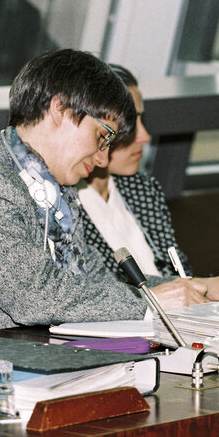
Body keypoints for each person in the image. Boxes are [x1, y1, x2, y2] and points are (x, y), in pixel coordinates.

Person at [0, 49, 219, 333]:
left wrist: (196, 288)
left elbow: (100, 281)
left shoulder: (57, 191)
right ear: (61, 110)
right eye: (102, 137)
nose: (102, 158)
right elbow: (36, 298)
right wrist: (152, 303)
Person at [78, 64, 192, 279]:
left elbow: (180, 270)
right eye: (129, 124)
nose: (144, 136)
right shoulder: (59, 206)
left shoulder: (143, 188)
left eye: (142, 120)